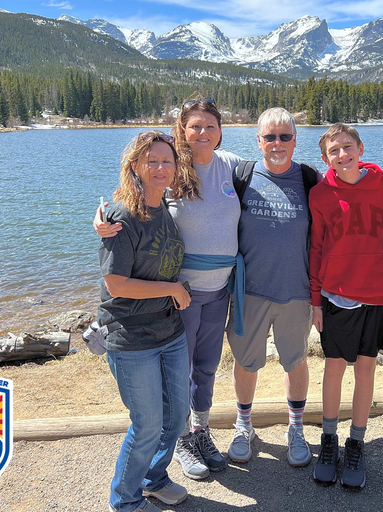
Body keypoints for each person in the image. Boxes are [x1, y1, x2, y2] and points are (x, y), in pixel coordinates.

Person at [96, 98, 242, 481]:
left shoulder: (232, 166)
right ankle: (177, 441)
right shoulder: (172, 169)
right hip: (180, 291)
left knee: (207, 367)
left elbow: (279, 172)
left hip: (220, 290)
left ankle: (199, 432)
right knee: (182, 371)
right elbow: (135, 202)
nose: (202, 133)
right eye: (194, 126)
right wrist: (103, 220)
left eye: (210, 125)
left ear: (220, 130)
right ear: (182, 129)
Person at [97, 131, 193, 512]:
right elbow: (115, 283)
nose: (159, 167)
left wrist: (172, 292)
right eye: (151, 161)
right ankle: (125, 500)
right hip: (131, 336)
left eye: (166, 161)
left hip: (170, 332)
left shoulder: (166, 208)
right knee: (148, 424)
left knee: (176, 415)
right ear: (135, 165)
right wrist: (173, 289)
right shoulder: (121, 217)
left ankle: (154, 478)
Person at [225, 107, 320, 468]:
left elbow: (347, 199)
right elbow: (188, 186)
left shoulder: (311, 179)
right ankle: (243, 424)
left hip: (296, 291)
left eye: (285, 136)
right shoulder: (242, 176)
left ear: (295, 140)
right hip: (249, 291)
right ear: (258, 141)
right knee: (246, 362)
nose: (277, 143)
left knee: (294, 361)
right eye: (270, 137)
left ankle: (296, 428)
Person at [308, 123, 383, 489]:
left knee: (365, 370)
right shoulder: (320, 194)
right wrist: (315, 300)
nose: (341, 155)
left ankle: (356, 443)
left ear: (360, 147)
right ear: (325, 158)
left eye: (347, 147)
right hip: (335, 295)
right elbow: (315, 248)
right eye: (333, 151)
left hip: (376, 293)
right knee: (333, 368)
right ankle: (329, 441)